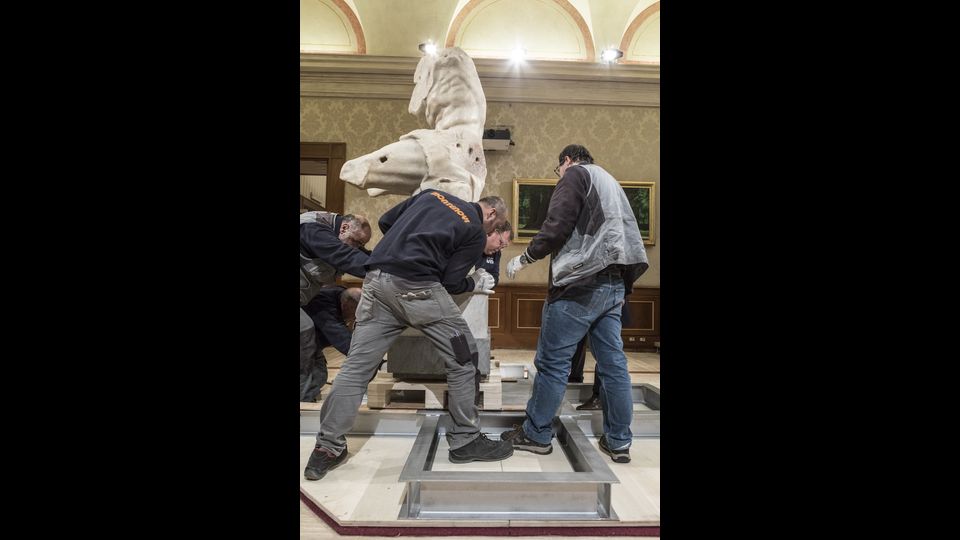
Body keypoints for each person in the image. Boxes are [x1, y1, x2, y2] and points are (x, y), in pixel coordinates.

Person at [304, 192, 512, 481]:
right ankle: (466, 439)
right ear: (490, 214)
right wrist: (473, 280)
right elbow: (451, 283)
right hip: (419, 289)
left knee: (355, 369)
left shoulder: (432, 196)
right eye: (495, 227)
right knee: (465, 356)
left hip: (376, 282)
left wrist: (405, 246)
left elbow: (386, 220)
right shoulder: (474, 231)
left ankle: (326, 448)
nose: (491, 233)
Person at [502, 144, 648, 464]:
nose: (559, 175)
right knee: (613, 366)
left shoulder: (575, 175)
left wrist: (526, 257)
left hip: (579, 286)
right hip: (614, 285)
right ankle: (619, 441)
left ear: (566, 161)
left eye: (559, 170)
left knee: (554, 364)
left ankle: (536, 434)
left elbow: (558, 224)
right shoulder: (608, 179)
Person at [300, 211, 372, 405]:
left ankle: (306, 396)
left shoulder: (338, 236)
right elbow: (345, 257)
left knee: (316, 360)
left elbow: (363, 256)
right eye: (356, 242)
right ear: (344, 227)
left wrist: (394, 266)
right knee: (304, 329)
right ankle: (303, 399)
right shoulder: (313, 229)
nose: (357, 248)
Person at [300, 287, 362, 402]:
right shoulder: (322, 303)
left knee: (320, 375)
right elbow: (339, 337)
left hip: (311, 341)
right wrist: (365, 358)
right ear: (346, 305)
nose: (355, 317)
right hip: (303, 338)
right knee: (304, 376)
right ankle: (303, 407)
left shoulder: (343, 295)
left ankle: (307, 398)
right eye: (355, 312)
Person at [475, 221, 512, 286]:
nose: (500, 249)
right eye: (500, 242)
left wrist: (489, 280)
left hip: (482, 294)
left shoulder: (496, 253)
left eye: (503, 246)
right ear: (492, 232)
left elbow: (495, 276)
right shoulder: (470, 245)